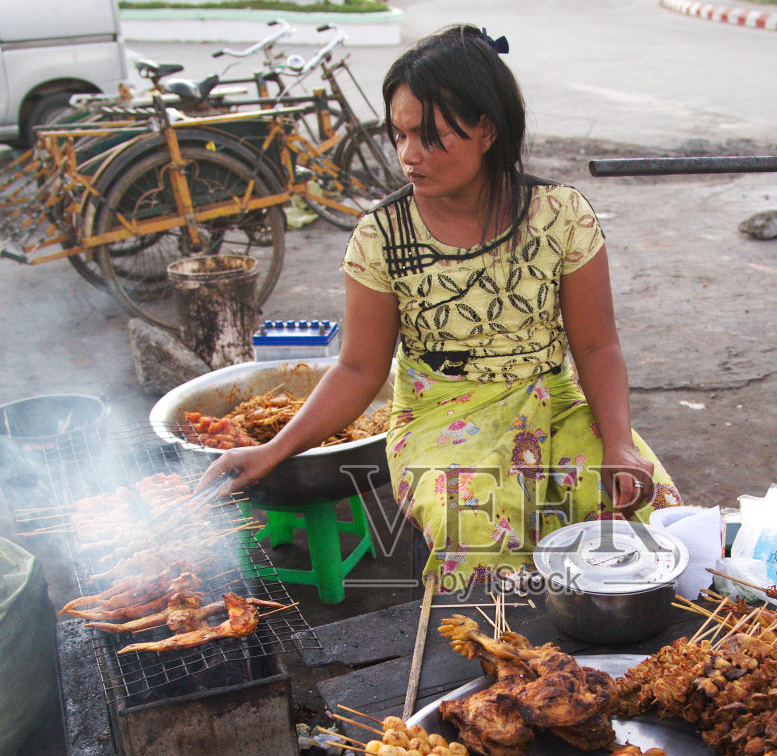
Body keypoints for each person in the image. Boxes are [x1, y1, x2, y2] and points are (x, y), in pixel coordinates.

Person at [202, 24, 681, 590]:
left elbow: (598, 346)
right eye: (399, 135)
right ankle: (513, 666)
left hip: (555, 405)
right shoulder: (382, 237)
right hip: (441, 419)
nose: (409, 155)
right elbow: (358, 369)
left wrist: (620, 444)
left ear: (485, 129)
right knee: (476, 532)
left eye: (429, 137)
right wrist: (273, 451)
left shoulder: (560, 216)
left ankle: (616, 660)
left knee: (652, 514)